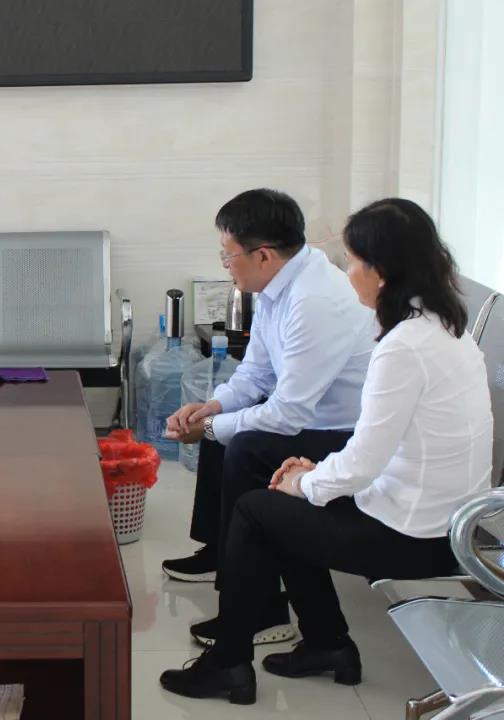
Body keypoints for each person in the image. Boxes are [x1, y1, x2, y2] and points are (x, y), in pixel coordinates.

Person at [158, 198, 494, 705]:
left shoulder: (401, 347)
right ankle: (326, 644)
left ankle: (229, 663)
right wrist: (311, 473)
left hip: (416, 535)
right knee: (279, 497)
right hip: (434, 515)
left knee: (258, 509)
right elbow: (384, 451)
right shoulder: (442, 326)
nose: (347, 272)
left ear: (381, 273)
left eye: (354, 262)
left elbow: (361, 460)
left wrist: (305, 481)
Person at [161, 189, 377, 647]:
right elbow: (255, 371)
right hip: (308, 419)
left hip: (340, 433)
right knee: (228, 426)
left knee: (245, 446)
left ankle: (260, 608)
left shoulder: (314, 300)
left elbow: (289, 414)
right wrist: (212, 408)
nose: (226, 265)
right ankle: (222, 552)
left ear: (262, 255)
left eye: (228, 255)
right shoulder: (277, 285)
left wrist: (210, 428)